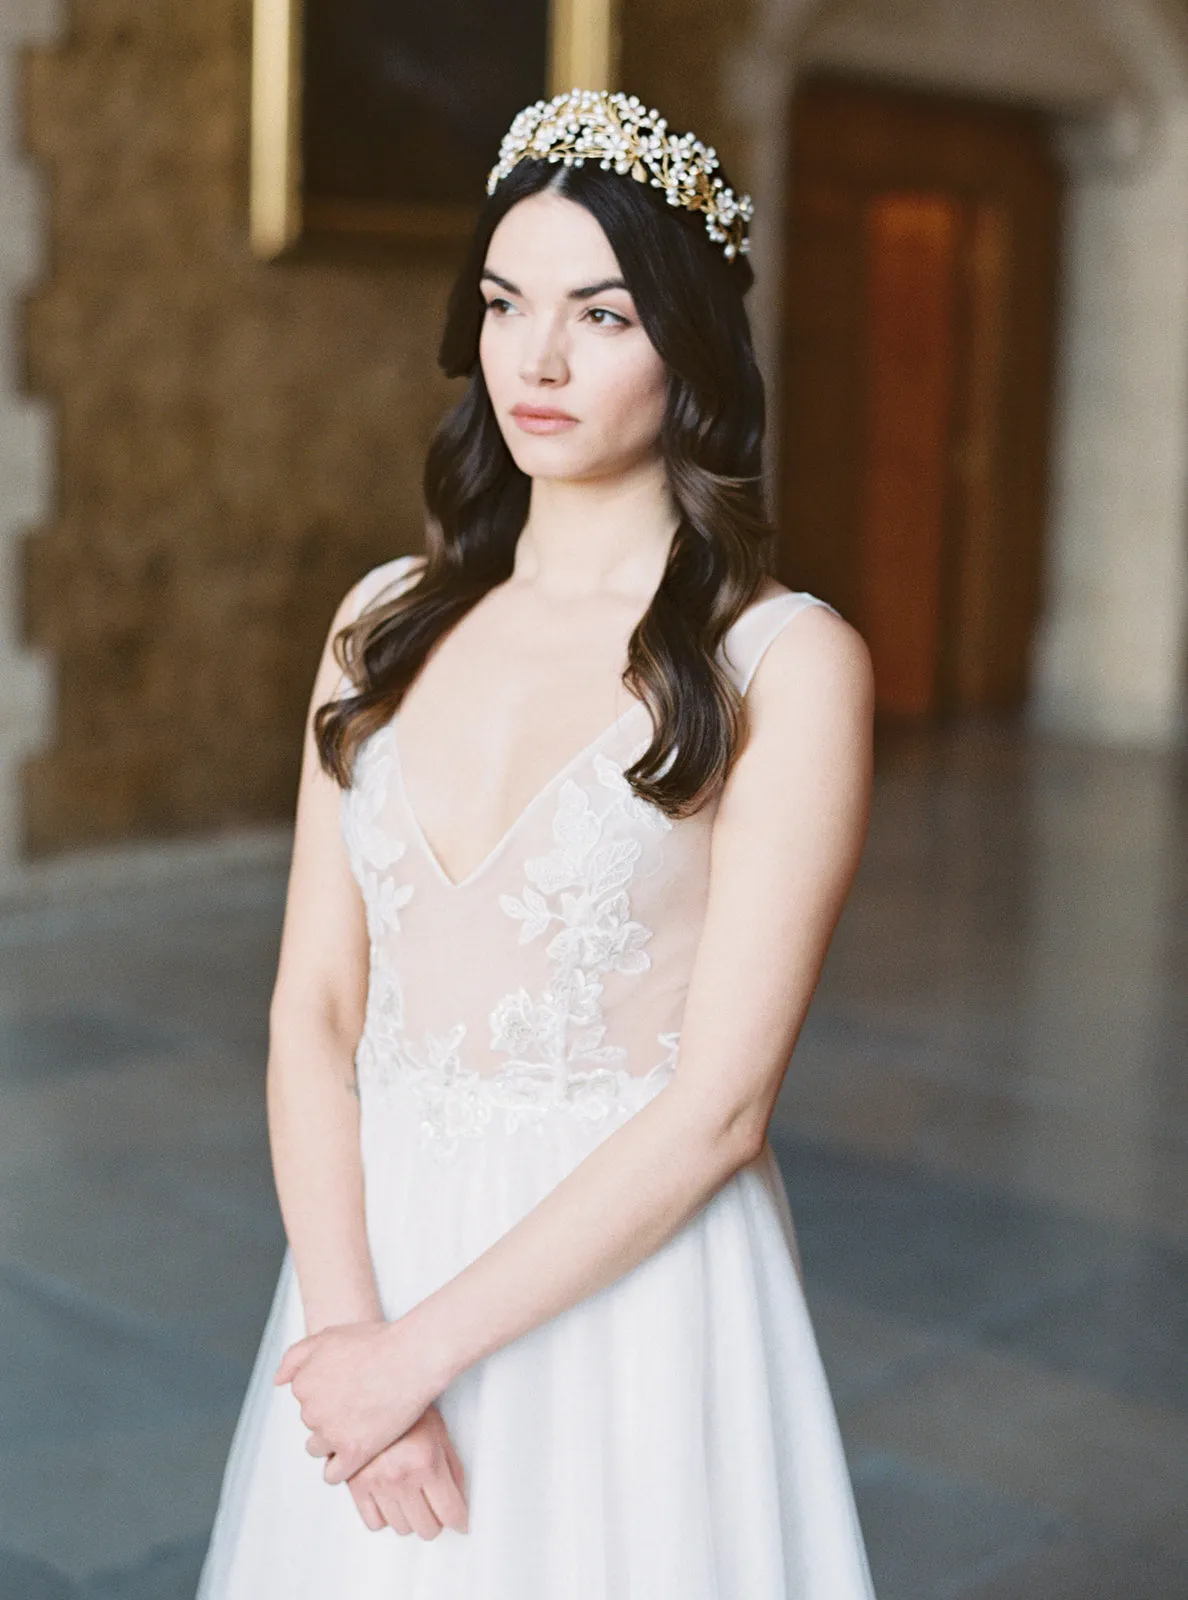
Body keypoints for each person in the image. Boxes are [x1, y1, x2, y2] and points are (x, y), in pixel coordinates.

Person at [197, 88, 878, 1598]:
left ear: (689, 345)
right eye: (506, 305)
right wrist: (348, 1337)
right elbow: (314, 1011)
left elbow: (722, 1107)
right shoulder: (381, 622)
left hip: (627, 1294)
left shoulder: (783, 662)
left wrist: (408, 1365)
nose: (538, 359)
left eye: (604, 314)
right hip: (366, 1258)